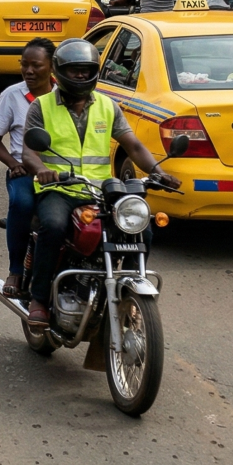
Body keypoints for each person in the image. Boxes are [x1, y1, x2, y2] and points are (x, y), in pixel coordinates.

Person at [18, 40, 177, 326]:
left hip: (99, 191)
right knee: (52, 227)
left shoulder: (107, 105)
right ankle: (40, 298)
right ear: (59, 71)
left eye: (86, 70)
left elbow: (133, 145)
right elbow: (28, 152)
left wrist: (157, 170)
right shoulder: (41, 106)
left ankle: (129, 292)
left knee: (142, 229)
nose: (80, 75)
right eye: (74, 70)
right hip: (59, 190)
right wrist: (42, 170)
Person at [0, 38, 56, 298]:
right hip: (24, 171)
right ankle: (15, 269)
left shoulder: (65, 96)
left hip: (59, 172)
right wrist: (13, 164)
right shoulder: (11, 95)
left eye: (36, 65)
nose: (29, 71)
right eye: (24, 65)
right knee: (22, 204)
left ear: (52, 67)